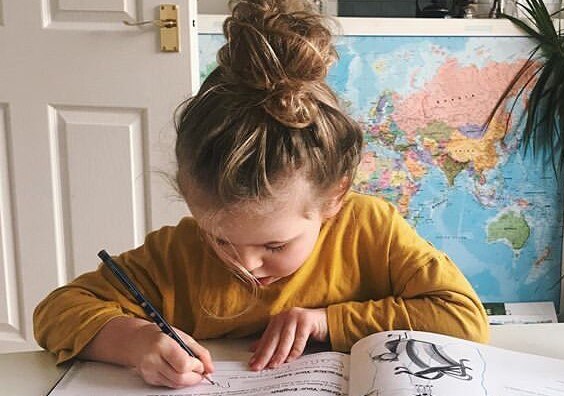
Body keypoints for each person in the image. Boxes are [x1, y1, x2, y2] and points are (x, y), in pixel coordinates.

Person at [33, 0, 489, 389]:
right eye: (221, 239)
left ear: (335, 198)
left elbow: (463, 319)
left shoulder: (372, 229)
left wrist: (329, 322)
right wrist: (131, 340)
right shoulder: (177, 256)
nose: (244, 264)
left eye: (274, 245)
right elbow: (56, 312)